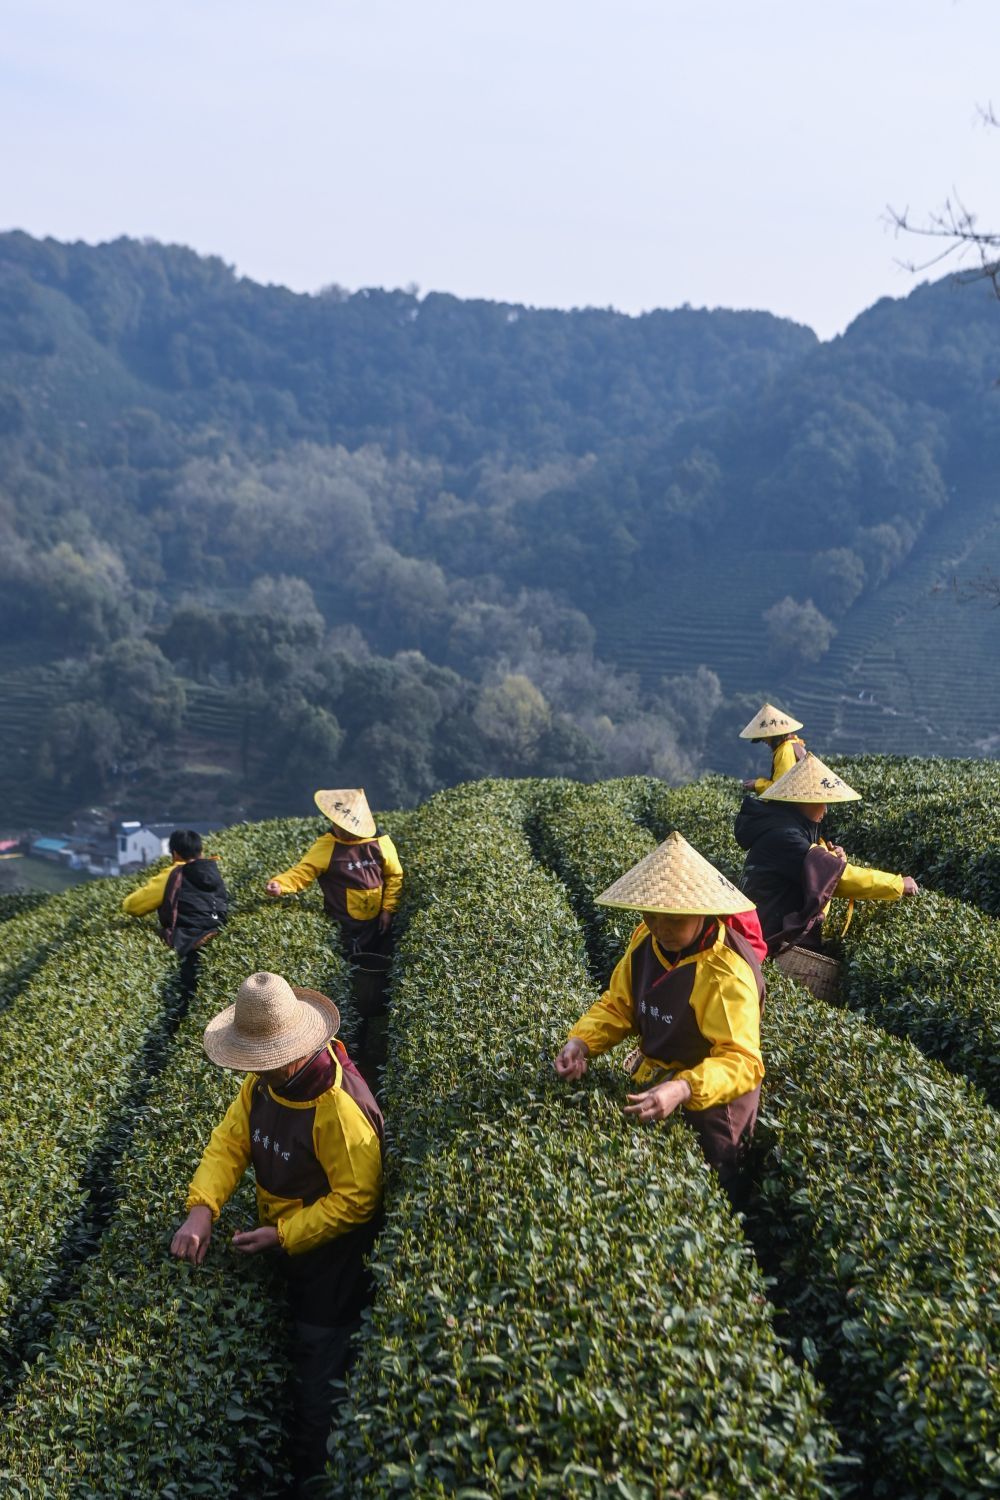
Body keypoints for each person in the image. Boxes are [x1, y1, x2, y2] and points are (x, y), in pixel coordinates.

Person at [170, 970, 384, 1491]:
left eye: (260, 1060)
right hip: (284, 1236)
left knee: (319, 1365)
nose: (253, 1071)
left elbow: (357, 1200)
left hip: (331, 1263)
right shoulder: (266, 1082)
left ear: (292, 1051)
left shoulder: (338, 1106)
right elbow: (231, 1141)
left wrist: (284, 1235)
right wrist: (203, 1207)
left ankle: (317, 1474)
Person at [553, 831, 765, 1203]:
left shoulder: (725, 972)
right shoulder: (644, 942)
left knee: (714, 1194)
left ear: (701, 911)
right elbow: (619, 1006)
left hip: (716, 1106)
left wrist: (684, 1088)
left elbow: (741, 1060)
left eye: (673, 920)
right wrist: (581, 1042)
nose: (660, 928)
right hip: (657, 1081)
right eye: (651, 915)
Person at [734, 752, 918, 957]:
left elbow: (811, 856)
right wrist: (898, 884)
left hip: (765, 927)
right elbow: (840, 879)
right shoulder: (785, 837)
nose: (826, 809)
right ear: (804, 801)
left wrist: (827, 855)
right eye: (822, 801)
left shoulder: (782, 825)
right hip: (767, 939)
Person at [265, 788, 403, 958]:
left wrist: (388, 910)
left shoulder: (380, 842)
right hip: (342, 923)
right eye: (340, 827)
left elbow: (394, 876)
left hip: (376, 921)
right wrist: (281, 884)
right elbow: (303, 871)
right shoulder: (327, 846)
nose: (344, 832)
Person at [122, 828, 229, 994]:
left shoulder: (174, 873)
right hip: (217, 930)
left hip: (187, 939)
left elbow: (132, 907)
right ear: (201, 851)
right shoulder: (212, 870)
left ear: (175, 853)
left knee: (184, 992)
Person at [738, 701, 807, 793]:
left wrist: (756, 784)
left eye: (764, 737)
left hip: (792, 806)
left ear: (773, 735)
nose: (763, 741)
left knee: (749, 805)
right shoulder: (793, 744)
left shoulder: (785, 751)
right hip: (796, 803)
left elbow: (781, 788)